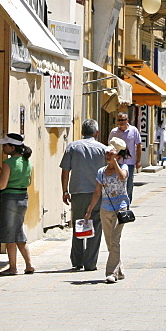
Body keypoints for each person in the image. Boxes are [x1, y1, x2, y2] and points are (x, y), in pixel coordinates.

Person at [60, 119, 108, 271]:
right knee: (96, 225)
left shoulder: (73, 147)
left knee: (78, 225)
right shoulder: (103, 149)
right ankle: (90, 262)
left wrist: (65, 191)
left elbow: (65, 171)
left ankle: (77, 260)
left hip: (78, 192)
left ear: (82, 132)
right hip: (97, 193)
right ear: (97, 133)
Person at [0, 133, 34, 275]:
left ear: (12, 148)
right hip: (23, 196)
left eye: (5, 145)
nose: (3, 147)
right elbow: (28, 181)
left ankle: (13, 267)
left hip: (10, 198)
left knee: (9, 234)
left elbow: (1, 185)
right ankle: (28, 264)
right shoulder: (27, 161)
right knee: (18, 230)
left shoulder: (8, 163)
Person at [84, 138, 131, 283]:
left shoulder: (123, 167)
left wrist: (115, 162)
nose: (108, 157)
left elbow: (123, 177)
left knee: (115, 240)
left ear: (118, 156)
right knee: (109, 242)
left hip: (121, 209)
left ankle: (111, 272)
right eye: (107, 154)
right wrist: (89, 210)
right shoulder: (101, 172)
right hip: (105, 209)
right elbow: (97, 192)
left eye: (111, 154)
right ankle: (120, 270)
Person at [107, 112, 142, 202]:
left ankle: (127, 203)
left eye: (123, 120)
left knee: (129, 184)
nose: (121, 122)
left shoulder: (133, 130)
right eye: (119, 120)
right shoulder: (114, 132)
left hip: (129, 162)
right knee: (116, 182)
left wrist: (138, 161)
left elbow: (138, 145)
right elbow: (110, 146)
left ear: (127, 120)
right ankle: (117, 202)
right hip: (117, 162)